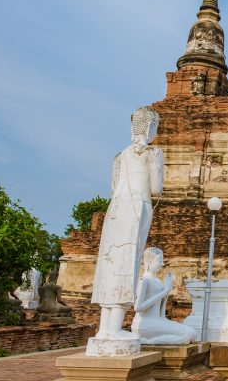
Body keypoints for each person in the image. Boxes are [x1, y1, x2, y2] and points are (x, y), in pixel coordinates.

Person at [90, 106, 163, 340]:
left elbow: (113, 187)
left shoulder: (119, 156)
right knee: (128, 262)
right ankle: (116, 328)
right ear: (151, 128)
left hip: (116, 209)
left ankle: (104, 330)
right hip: (138, 207)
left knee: (109, 261)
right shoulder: (153, 153)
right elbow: (156, 188)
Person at [132, 248, 197, 345]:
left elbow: (161, 315)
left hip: (158, 320)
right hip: (144, 323)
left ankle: (151, 340)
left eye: (162, 260)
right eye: (159, 260)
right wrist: (164, 292)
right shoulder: (144, 280)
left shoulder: (158, 281)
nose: (162, 264)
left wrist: (167, 292)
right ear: (149, 261)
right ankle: (149, 341)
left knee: (192, 333)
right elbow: (138, 307)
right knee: (187, 335)